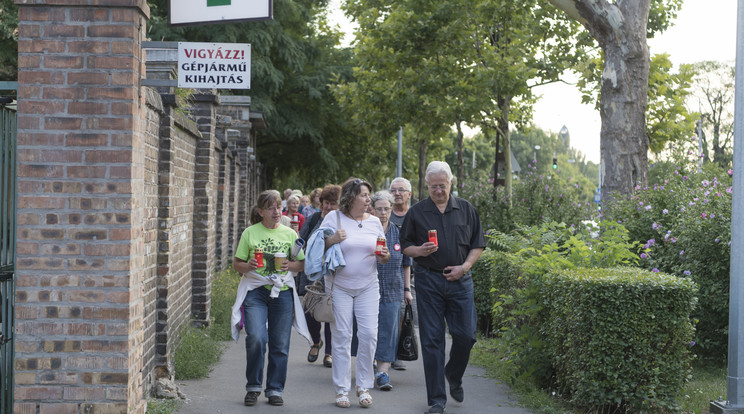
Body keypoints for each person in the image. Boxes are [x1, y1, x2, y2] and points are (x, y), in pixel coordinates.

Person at [400, 161, 486, 414]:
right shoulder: (417, 212)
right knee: (432, 341)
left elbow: (477, 244)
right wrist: (420, 250)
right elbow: (405, 246)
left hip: (460, 280)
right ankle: (436, 400)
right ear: (427, 185)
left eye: (442, 185)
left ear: (451, 183)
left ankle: (453, 374)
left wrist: (465, 267)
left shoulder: (466, 209)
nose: (438, 190)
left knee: (467, 335)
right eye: (433, 186)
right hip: (428, 280)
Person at [231, 190, 309, 407]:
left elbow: (301, 264)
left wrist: (289, 265)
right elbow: (237, 264)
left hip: (282, 291)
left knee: (280, 343)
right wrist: (248, 266)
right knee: (256, 337)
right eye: (271, 208)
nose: (276, 211)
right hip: (256, 291)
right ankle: (253, 386)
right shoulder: (250, 233)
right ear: (261, 212)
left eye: (277, 207)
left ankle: (275, 388)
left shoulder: (290, 234)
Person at [321, 178, 390, 408]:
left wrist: (384, 256)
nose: (368, 199)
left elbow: (384, 251)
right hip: (339, 286)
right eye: (363, 195)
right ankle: (342, 390)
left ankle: (363, 386)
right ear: (351, 197)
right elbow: (315, 248)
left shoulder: (374, 222)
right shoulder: (334, 218)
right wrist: (332, 239)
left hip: (368, 285)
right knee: (342, 337)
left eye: (368, 195)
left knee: (369, 335)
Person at [370, 191, 412, 391]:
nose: (384, 213)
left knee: (389, 330)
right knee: (369, 331)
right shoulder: (366, 231)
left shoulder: (398, 232)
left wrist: (407, 289)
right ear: (372, 210)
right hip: (367, 290)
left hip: (393, 290)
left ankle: (383, 373)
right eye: (379, 209)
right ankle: (368, 365)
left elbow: (406, 263)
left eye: (387, 209)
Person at [299, 184, 342, 368]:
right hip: (312, 273)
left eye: (333, 203)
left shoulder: (342, 221)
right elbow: (302, 240)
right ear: (321, 202)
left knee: (331, 311)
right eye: (326, 203)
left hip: (334, 273)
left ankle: (329, 352)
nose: (329, 207)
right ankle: (316, 341)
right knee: (310, 310)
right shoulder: (314, 218)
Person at [389, 176, 414, 371]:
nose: (397, 193)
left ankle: (398, 351)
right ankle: (387, 353)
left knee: (404, 313)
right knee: (390, 312)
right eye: (394, 190)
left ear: (409, 194)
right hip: (389, 269)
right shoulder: (384, 214)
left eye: (401, 190)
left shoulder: (415, 215)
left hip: (413, 270)